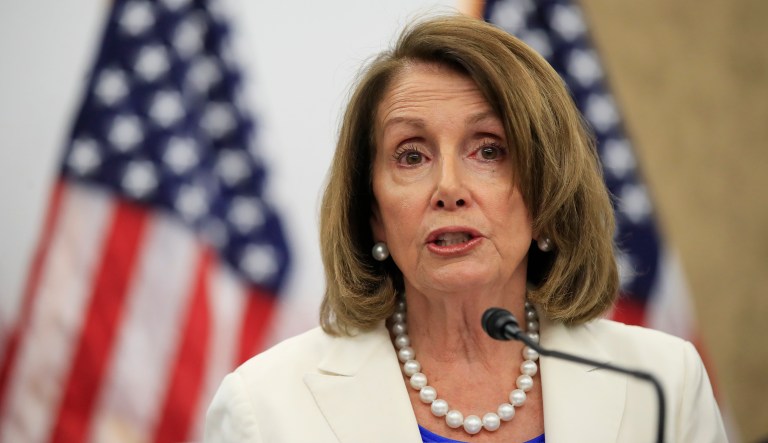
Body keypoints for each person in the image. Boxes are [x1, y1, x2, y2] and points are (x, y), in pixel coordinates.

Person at [205, 14, 726, 443]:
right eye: (411, 155)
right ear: (372, 213)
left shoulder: (660, 382)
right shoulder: (266, 407)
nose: (448, 187)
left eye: (488, 150)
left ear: (547, 195)